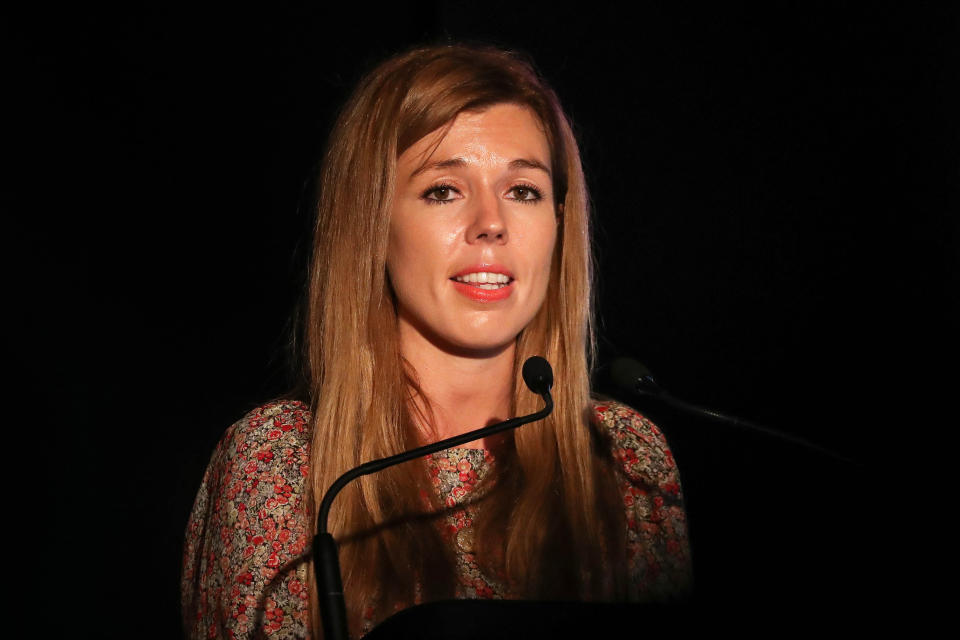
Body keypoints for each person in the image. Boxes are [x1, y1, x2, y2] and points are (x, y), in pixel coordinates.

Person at [181, 43, 692, 639]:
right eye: (443, 190)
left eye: (523, 190)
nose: (491, 223)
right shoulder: (283, 464)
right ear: (372, 225)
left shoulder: (625, 459)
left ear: (559, 222)